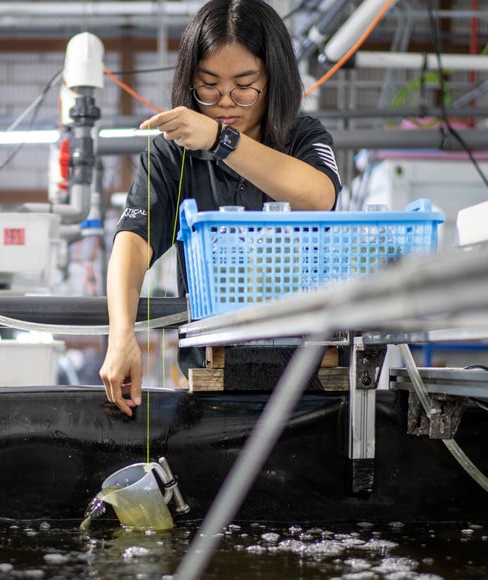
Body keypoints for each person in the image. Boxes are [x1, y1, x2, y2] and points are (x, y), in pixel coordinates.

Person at [99, 0, 342, 416]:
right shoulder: (171, 154)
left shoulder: (302, 137)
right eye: (208, 85)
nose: (225, 101)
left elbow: (318, 196)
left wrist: (219, 139)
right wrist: (121, 333)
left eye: (245, 86)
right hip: (212, 381)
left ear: (273, 79)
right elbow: (134, 240)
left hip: (310, 382)